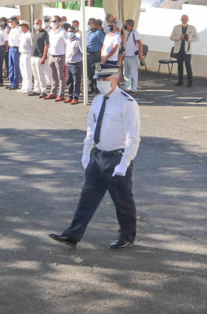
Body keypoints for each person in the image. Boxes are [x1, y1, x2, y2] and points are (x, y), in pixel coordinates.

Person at [50, 63, 141, 250]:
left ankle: (127, 236)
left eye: (104, 79)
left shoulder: (127, 103)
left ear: (115, 80)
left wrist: (125, 162)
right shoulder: (98, 100)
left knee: (122, 201)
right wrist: (86, 152)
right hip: (97, 156)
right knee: (87, 198)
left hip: (117, 157)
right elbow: (91, 127)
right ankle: (72, 234)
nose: (100, 83)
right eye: (98, 79)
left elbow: (133, 136)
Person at [170, 15, 198, 87]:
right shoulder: (176, 27)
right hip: (179, 50)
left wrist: (189, 39)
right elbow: (171, 37)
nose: (184, 20)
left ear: (188, 19)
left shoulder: (192, 28)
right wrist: (179, 37)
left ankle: (190, 82)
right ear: (181, 19)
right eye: (183, 19)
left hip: (187, 51)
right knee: (180, 66)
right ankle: (180, 81)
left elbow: (197, 38)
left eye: (185, 19)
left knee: (188, 66)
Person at [45, 18, 67, 101]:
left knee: (60, 76)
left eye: (55, 21)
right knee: (53, 75)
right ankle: (53, 92)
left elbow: (67, 44)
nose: (53, 23)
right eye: (52, 21)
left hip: (60, 56)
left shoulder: (62, 32)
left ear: (59, 22)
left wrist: (66, 56)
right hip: (51, 55)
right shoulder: (50, 32)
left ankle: (61, 93)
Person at [121, 19, 144, 93]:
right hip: (127, 56)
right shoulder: (128, 33)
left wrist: (140, 54)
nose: (125, 26)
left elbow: (140, 44)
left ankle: (134, 88)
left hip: (133, 56)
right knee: (126, 73)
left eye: (126, 24)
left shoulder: (135, 33)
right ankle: (127, 88)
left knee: (133, 73)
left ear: (129, 25)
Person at [30, 19, 49, 97]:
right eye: (34, 23)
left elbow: (46, 45)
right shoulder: (34, 34)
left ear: (41, 24)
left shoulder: (44, 33)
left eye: (37, 23)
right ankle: (36, 89)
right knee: (35, 74)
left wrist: (43, 57)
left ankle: (44, 90)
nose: (35, 25)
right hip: (33, 56)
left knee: (40, 74)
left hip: (39, 57)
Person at [85, 19, 105, 94]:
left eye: (90, 24)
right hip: (87, 54)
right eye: (88, 23)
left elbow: (103, 44)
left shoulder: (98, 33)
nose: (89, 25)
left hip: (96, 55)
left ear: (94, 24)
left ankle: (97, 88)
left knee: (96, 72)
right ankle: (90, 88)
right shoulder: (87, 33)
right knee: (89, 73)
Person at [65, 24, 83, 104]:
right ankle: (70, 96)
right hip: (68, 63)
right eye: (69, 31)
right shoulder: (67, 41)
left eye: (72, 31)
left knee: (76, 82)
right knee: (69, 81)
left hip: (76, 64)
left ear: (75, 32)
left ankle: (75, 97)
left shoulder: (78, 40)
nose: (70, 33)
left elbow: (83, 51)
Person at [18, 22, 34, 94]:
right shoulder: (22, 35)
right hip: (22, 54)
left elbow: (33, 46)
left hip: (28, 54)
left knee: (28, 72)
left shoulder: (29, 35)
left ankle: (28, 87)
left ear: (26, 27)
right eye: (21, 26)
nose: (21, 28)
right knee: (23, 72)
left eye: (22, 26)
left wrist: (32, 56)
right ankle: (24, 87)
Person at [6, 17, 21, 90]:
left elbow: (20, 41)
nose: (10, 23)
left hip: (16, 48)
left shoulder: (18, 30)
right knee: (10, 66)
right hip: (11, 48)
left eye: (12, 22)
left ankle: (15, 83)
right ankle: (11, 82)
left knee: (15, 67)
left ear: (15, 22)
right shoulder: (11, 29)